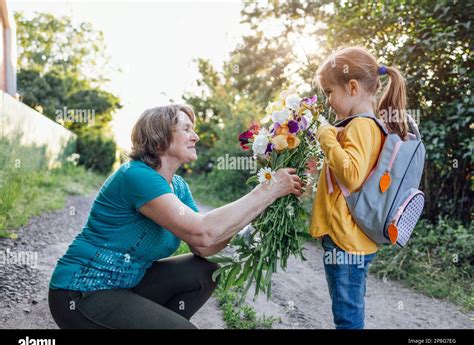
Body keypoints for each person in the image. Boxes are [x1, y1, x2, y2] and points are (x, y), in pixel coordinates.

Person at [48, 104, 302, 329]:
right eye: (187, 129)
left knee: (205, 270)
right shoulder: (136, 176)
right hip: (82, 292)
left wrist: (258, 210)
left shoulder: (177, 186)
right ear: (159, 139)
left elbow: (206, 247)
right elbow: (203, 230)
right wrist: (267, 190)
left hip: (128, 285)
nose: (196, 136)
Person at [310, 46, 409, 329]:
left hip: (346, 240)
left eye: (329, 92)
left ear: (352, 86)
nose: (328, 101)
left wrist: (326, 137)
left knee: (347, 318)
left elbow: (351, 176)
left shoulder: (361, 127)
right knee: (350, 309)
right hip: (352, 238)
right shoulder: (370, 126)